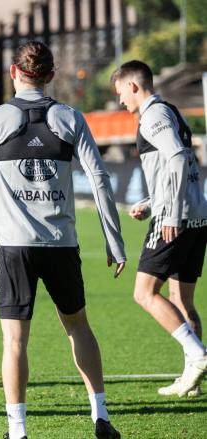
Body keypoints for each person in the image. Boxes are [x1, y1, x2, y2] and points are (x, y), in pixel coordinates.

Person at [0, 41, 125, 439]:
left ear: (12, 73)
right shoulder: (71, 118)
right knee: (78, 327)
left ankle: (17, 431)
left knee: (15, 340)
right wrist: (114, 240)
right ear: (51, 76)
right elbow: (101, 180)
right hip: (61, 243)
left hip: (15, 246)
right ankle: (101, 417)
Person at [112, 60, 207, 397]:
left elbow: (180, 158)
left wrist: (169, 214)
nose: (120, 100)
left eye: (120, 92)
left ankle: (198, 356)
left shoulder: (153, 116)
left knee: (144, 293)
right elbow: (176, 165)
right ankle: (191, 381)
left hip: (178, 217)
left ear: (134, 86)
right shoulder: (171, 111)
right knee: (180, 298)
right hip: (196, 215)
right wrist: (152, 202)